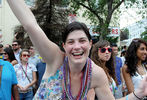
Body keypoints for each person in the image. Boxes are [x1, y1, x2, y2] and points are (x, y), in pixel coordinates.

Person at [7, 0, 147, 99]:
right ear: (64, 46)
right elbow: (30, 25)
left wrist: (137, 94)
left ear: (90, 43)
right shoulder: (55, 58)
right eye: (71, 42)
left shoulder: (96, 74)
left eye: (82, 41)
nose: (77, 47)